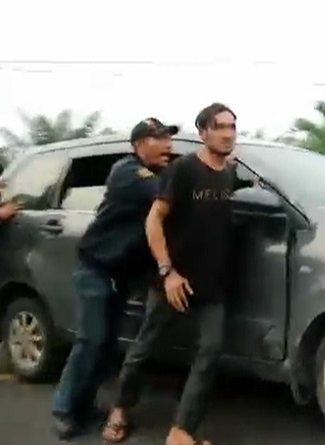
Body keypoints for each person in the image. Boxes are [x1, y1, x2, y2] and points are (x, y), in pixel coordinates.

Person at [102, 103, 238, 445]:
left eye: (232, 127)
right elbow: (154, 220)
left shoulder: (229, 173)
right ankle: (120, 408)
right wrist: (168, 272)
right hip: (172, 281)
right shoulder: (183, 170)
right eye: (220, 126)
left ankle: (181, 431)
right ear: (204, 132)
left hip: (212, 284)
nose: (227, 133)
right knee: (144, 348)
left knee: (210, 353)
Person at [50, 118, 178, 440]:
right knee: (91, 340)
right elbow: (168, 194)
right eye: (159, 138)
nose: (168, 145)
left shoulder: (157, 174)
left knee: (106, 346)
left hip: (120, 276)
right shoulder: (128, 172)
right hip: (96, 270)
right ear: (138, 144)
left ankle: (84, 405)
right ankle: (63, 410)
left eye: (169, 139)